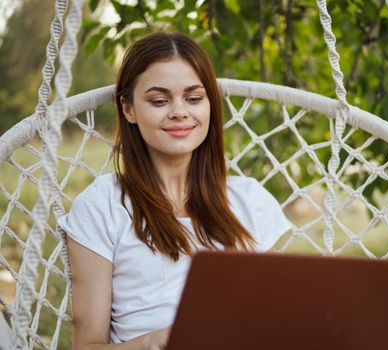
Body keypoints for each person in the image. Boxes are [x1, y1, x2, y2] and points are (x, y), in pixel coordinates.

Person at [58, 31, 291, 350]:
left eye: (194, 98)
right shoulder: (104, 205)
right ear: (128, 108)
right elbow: (86, 346)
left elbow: (280, 316)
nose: (179, 111)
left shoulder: (250, 200)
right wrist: (154, 341)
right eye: (159, 100)